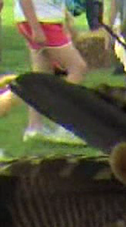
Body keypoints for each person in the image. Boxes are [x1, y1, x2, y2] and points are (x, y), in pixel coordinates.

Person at [0, 0, 88, 144]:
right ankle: (64, 126)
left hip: (43, 19)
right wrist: (35, 27)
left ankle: (34, 128)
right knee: (78, 68)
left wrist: (65, 21)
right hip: (41, 21)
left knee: (41, 76)